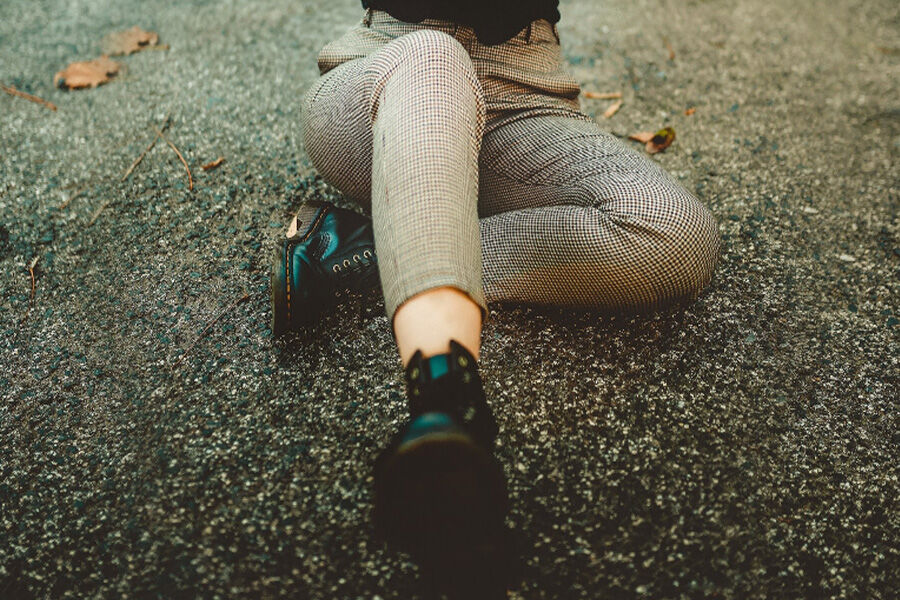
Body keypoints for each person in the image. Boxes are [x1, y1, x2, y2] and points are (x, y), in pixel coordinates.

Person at [270, 1, 720, 596]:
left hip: (524, 98)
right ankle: (444, 402)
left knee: (672, 233)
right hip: (392, 73)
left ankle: (360, 248)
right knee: (436, 56)